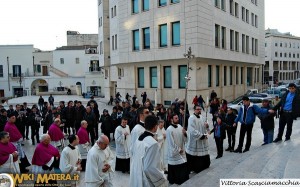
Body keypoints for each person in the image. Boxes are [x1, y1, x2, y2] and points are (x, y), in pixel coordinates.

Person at [130, 115, 167, 187]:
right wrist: (162, 177)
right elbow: (150, 168)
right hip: (145, 180)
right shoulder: (153, 143)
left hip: (136, 175)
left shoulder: (138, 139)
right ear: (156, 127)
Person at [185, 105, 210, 173]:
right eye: (198, 109)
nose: (199, 110)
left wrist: (207, 126)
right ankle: (194, 168)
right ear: (194, 110)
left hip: (202, 140)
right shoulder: (191, 118)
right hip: (195, 140)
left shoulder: (202, 117)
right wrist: (201, 136)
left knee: (202, 154)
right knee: (195, 154)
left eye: (200, 109)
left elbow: (206, 126)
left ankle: (204, 166)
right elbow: (192, 130)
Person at [166, 114, 189, 185]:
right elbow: (171, 143)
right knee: (176, 166)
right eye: (176, 118)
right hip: (175, 152)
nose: (177, 119)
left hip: (181, 149)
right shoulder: (169, 129)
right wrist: (179, 149)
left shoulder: (180, 127)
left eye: (177, 118)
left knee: (183, 164)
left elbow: (185, 139)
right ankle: (174, 180)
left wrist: (185, 133)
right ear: (171, 120)